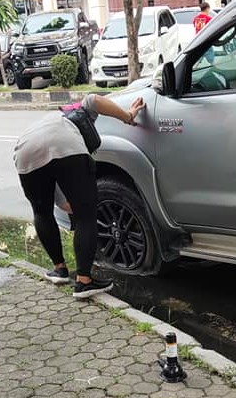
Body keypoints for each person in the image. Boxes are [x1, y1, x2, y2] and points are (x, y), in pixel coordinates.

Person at [14, 93, 144, 298]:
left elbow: (64, 204)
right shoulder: (76, 113)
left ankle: (59, 270)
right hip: (65, 145)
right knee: (87, 215)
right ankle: (84, 281)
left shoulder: (54, 117)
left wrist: (73, 202)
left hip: (24, 151)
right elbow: (94, 99)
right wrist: (128, 116)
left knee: (42, 212)